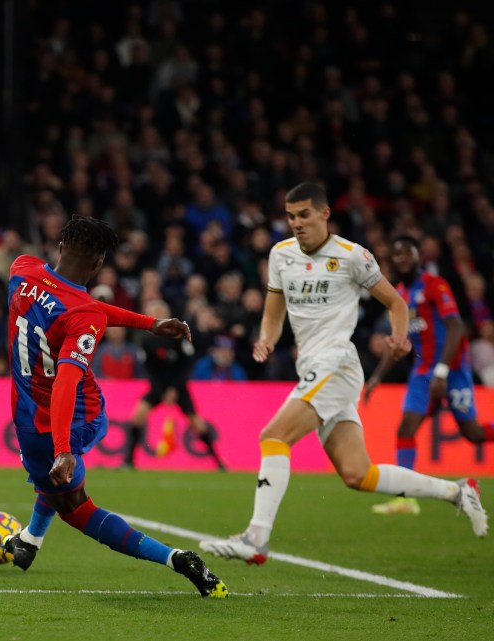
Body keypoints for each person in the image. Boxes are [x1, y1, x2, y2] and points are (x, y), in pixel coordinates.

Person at [199, 183, 487, 565]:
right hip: (314, 368)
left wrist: (399, 336)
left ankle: (256, 538)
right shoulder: (281, 255)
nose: (296, 223)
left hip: (337, 364)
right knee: (357, 475)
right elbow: (274, 310)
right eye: (290, 216)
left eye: (304, 214)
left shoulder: (352, 256)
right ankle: (458, 492)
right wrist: (266, 339)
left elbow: (396, 302)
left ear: (324, 213)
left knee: (273, 436)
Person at [1, 216, 227, 598]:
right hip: (65, 410)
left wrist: (63, 449)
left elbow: (66, 384)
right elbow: (84, 310)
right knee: (56, 489)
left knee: (74, 506)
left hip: (55, 419)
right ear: (98, 265)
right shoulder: (85, 313)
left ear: (60, 247)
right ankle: (30, 538)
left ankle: (174, 558)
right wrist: (150, 323)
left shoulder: (21, 268)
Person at [363, 235, 494, 515]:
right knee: (405, 428)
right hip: (422, 373)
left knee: (473, 433)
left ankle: (406, 496)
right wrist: (376, 377)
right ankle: (405, 499)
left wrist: (443, 371)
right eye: (396, 255)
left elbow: (457, 327)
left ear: (417, 256)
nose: (401, 259)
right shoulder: (398, 294)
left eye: (406, 253)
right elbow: (397, 341)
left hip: (453, 370)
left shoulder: (435, 285)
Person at [124, 299, 225, 470]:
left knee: (196, 423)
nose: (156, 314)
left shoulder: (178, 335)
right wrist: (162, 391)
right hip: (158, 387)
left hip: (178, 387)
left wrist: (173, 389)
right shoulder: (146, 341)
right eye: (152, 311)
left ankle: (218, 462)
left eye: (159, 311)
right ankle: (128, 461)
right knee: (136, 417)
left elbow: (186, 367)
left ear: (167, 314)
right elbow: (150, 370)